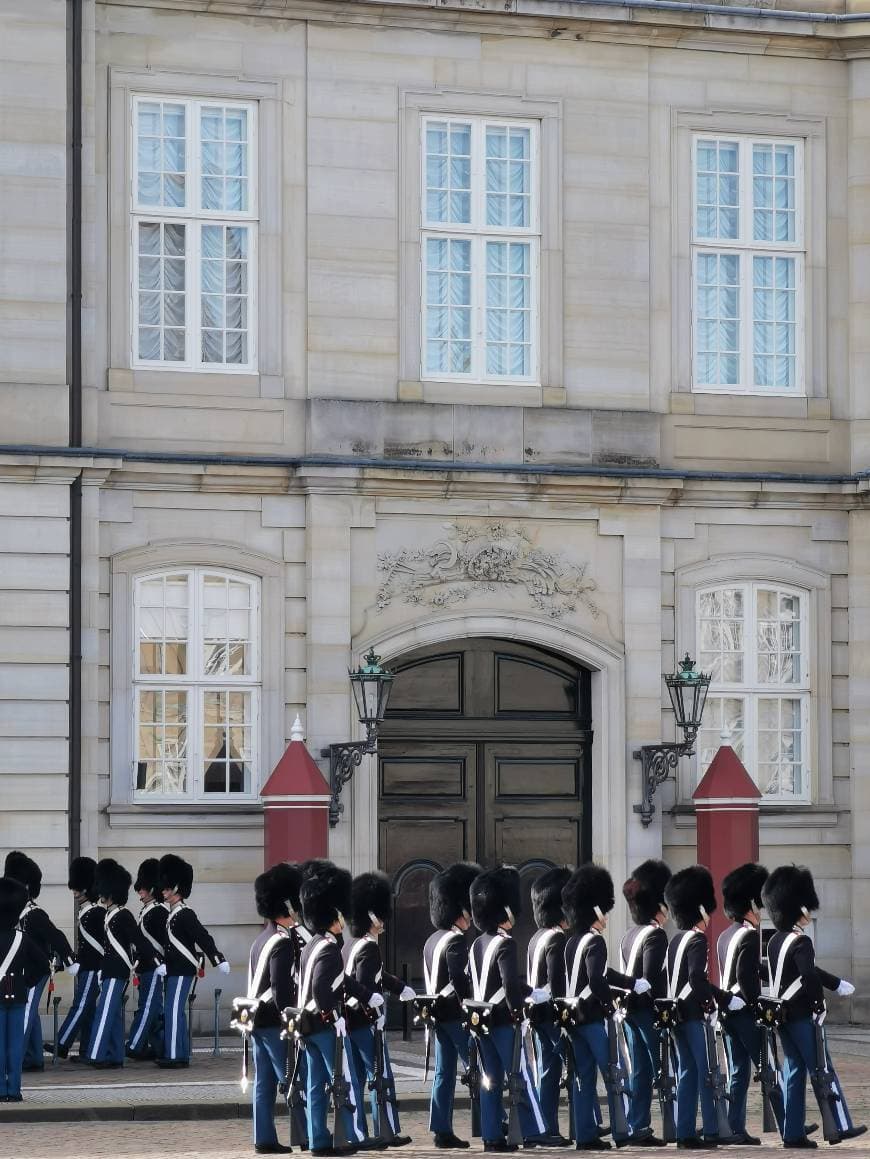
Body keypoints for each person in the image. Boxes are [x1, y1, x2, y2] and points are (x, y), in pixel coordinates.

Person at [763, 864, 867, 1150]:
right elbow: (808, 975)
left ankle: (792, 1133)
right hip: (800, 1017)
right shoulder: (802, 941)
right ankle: (840, 1125)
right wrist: (819, 1004)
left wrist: (835, 983)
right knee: (823, 1068)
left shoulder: (774, 941)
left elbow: (805, 971)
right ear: (800, 908)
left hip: (782, 1016)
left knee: (794, 1071)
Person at [468, 865, 557, 1153]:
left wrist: (529, 991)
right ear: (504, 911)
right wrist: (520, 1011)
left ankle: (491, 1136)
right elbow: (508, 984)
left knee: (490, 1079)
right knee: (520, 1076)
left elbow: (498, 982)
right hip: (504, 1020)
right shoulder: (506, 944)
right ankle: (534, 1131)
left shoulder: (476, 945)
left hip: (481, 1019)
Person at [562, 864, 641, 1152]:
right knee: (613, 1072)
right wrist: (610, 1006)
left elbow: (601, 974)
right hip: (593, 1019)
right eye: (604, 911)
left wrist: (630, 982)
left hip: (573, 1017)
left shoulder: (571, 942)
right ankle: (622, 1131)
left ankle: (584, 1136)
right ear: (595, 910)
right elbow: (596, 979)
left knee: (583, 1078)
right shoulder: (595, 941)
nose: (606, 917)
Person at [664, 865, 741, 1151]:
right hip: (693, 1015)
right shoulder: (696, 939)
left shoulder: (675, 940)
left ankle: (685, 1132)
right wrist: (715, 1000)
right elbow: (697, 977)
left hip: (676, 1013)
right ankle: (711, 1129)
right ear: (701, 909)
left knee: (686, 1073)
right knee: (708, 1072)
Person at [298, 863, 369, 1156]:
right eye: (339, 915)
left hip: (307, 1026)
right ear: (331, 916)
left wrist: (365, 994)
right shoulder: (328, 949)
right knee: (344, 1080)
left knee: (316, 1087)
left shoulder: (312, 945)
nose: (343, 920)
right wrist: (332, 1017)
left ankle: (318, 1141)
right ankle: (349, 1136)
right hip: (324, 1025)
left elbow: (340, 981)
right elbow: (320, 989)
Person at [343, 871, 414, 1147]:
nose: (382, 923)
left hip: (351, 1020)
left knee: (360, 1078)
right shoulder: (369, 948)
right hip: (364, 1021)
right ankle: (386, 1130)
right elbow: (365, 986)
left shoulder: (352, 945)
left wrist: (398, 987)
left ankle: (359, 1131)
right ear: (371, 917)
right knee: (380, 1075)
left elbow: (376, 976)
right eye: (379, 917)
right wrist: (377, 1016)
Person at [247, 862, 304, 1156]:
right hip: (273, 1022)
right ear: (287, 905)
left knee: (265, 1083)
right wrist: (291, 1022)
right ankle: (308, 1134)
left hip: (256, 1020)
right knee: (292, 1078)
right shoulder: (282, 942)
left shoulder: (262, 938)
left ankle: (264, 1138)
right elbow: (282, 989)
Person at [424, 861, 480, 1150]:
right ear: (459, 911)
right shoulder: (456, 940)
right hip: (456, 1015)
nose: (470, 916)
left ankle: (441, 1129)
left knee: (444, 1073)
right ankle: (494, 1121)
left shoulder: (433, 939)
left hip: (437, 1014)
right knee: (480, 1066)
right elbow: (459, 977)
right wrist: (469, 1004)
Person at [157, 853, 230, 1068]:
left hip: (182, 970)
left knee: (173, 1010)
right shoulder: (172, 914)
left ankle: (174, 1056)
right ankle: (179, 1054)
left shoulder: (185, 914)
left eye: (167, 888)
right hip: (174, 969)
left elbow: (202, 937)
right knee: (175, 1012)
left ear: (177, 888)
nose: (164, 891)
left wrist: (218, 959)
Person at [4, 851, 74, 1071]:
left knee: (24, 1012)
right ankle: (33, 1057)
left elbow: (56, 936)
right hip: (23, 969)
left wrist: (71, 960)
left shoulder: (34, 913)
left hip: (37, 970)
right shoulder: (16, 912)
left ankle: (12, 1060)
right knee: (29, 1010)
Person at [84, 858, 156, 1069]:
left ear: (111, 890)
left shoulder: (123, 915)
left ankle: (97, 1054)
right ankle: (115, 1055)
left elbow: (138, 940)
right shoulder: (109, 914)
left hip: (117, 969)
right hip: (108, 969)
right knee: (113, 1012)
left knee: (104, 1011)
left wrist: (155, 960)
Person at [619, 858, 671, 1148]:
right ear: (659, 905)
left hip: (630, 1010)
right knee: (655, 1070)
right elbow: (651, 978)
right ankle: (647, 1124)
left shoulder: (629, 935)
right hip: (648, 1011)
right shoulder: (656, 935)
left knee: (638, 1070)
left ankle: (636, 1124)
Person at [716, 862, 769, 1146]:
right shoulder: (748, 934)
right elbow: (746, 979)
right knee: (768, 1065)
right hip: (745, 1011)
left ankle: (734, 1126)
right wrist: (758, 1006)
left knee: (738, 1072)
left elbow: (744, 969)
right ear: (751, 904)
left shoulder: (725, 935)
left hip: (727, 1011)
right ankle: (789, 1122)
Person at [526, 865, 572, 1142]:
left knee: (547, 1071)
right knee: (552, 1072)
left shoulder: (536, 937)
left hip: (537, 1012)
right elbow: (557, 982)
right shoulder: (556, 937)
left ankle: (545, 1127)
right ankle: (547, 1129)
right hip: (551, 1013)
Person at [0, 876, 49, 1102]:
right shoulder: (23, 938)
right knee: (15, 1044)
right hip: (17, 993)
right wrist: (25, 982)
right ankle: (14, 1090)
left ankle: (1, 1089)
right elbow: (42, 965)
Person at [54, 856, 104, 1061]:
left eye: (78, 888)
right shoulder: (87, 911)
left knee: (81, 1005)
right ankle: (87, 1051)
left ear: (87, 888)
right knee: (89, 1011)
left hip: (94, 968)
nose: (75, 892)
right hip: (87, 967)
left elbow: (101, 945)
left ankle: (62, 1044)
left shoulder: (96, 912)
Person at [126, 857, 167, 1061]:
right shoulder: (148, 911)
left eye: (142, 888)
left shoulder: (159, 912)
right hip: (145, 967)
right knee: (154, 1010)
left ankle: (134, 1044)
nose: (139, 892)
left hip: (154, 967)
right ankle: (157, 1046)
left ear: (151, 888)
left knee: (148, 1008)